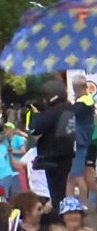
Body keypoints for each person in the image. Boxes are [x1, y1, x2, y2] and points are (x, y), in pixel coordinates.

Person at [28, 80, 76, 210]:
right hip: (71, 156)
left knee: (57, 195)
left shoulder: (52, 112)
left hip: (55, 158)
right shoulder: (72, 108)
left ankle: (60, 219)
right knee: (67, 191)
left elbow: (34, 129)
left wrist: (37, 113)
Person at [69, 74, 94, 204]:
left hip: (80, 143)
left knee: (77, 177)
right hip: (85, 141)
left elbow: (70, 113)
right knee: (79, 175)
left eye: (75, 88)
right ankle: (86, 202)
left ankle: (83, 204)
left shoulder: (82, 103)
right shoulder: (89, 100)